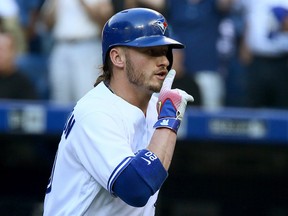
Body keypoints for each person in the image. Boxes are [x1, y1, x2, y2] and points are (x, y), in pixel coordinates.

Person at [43, 8, 194, 215]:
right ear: (117, 58)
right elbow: (135, 189)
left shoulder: (155, 107)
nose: (165, 61)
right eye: (151, 52)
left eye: (165, 51)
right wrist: (168, 121)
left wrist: (167, 117)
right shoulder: (96, 111)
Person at [40, 0, 113, 104]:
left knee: (85, 94)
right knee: (59, 98)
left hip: (87, 44)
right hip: (61, 45)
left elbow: (105, 19)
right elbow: (46, 24)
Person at [238, 0, 288, 109]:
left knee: (282, 106)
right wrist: (244, 45)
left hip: (283, 60)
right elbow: (249, 19)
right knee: (253, 105)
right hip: (257, 59)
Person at [0, 31, 38, 100]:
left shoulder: (23, 84)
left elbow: (32, 108)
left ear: (13, 52)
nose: (0, 55)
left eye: (2, 50)